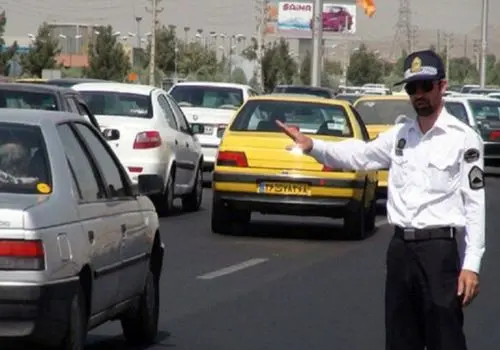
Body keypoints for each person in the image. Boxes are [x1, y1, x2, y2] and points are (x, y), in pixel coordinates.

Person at [277, 49, 484, 350]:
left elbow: (475, 204)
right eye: (412, 88)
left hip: (439, 251)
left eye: (426, 86)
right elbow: (359, 155)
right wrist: (312, 145)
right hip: (401, 250)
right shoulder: (400, 135)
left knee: (445, 337)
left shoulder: (463, 138)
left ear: (443, 86)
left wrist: (472, 264)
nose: (419, 95)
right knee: (400, 338)